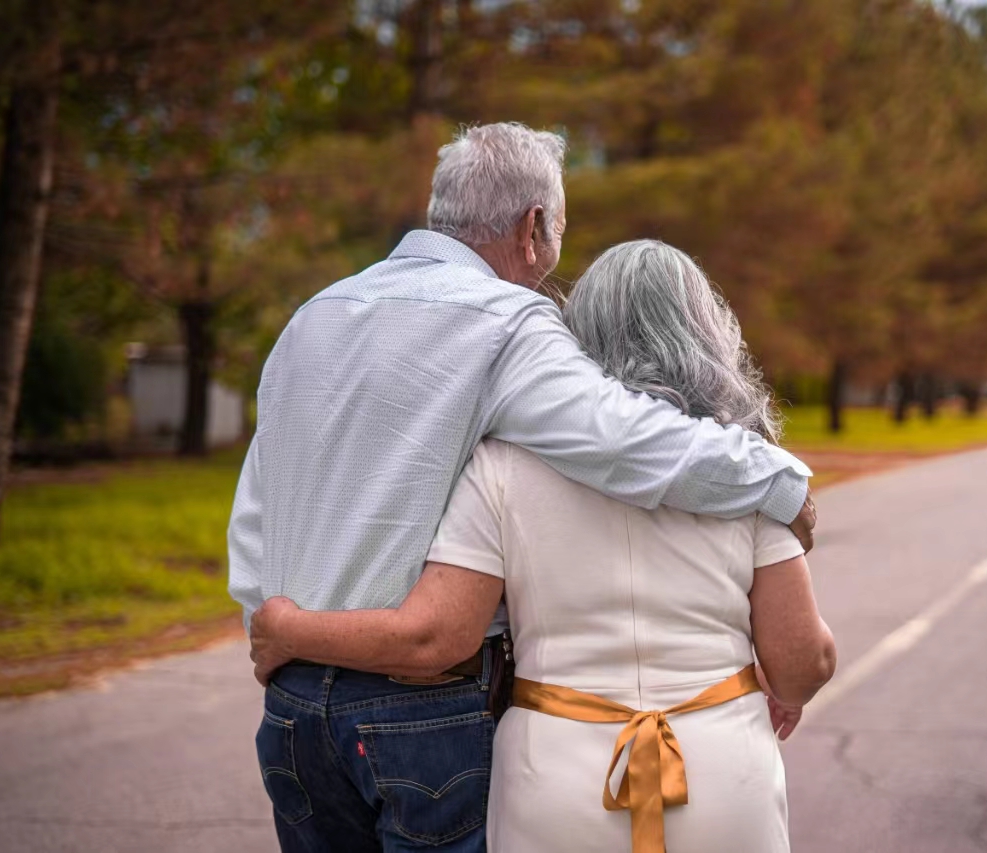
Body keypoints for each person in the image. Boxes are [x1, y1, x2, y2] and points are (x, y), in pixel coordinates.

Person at [227, 123, 816, 852]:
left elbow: (256, 511)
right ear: (534, 228)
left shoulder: (311, 318)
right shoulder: (511, 322)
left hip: (290, 709)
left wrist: (275, 628)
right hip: (420, 711)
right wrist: (779, 477)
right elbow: (624, 438)